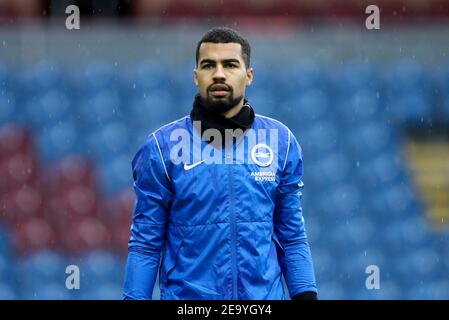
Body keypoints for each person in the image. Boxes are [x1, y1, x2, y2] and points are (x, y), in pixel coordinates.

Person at [123, 27, 317, 300]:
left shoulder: (281, 142)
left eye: (230, 64)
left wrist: (305, 294)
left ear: (248, 75)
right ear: (196, 76)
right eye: (208, 65)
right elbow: (145, 243)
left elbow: (292, 236)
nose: (218, 74)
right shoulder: (161, 148)